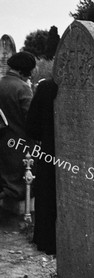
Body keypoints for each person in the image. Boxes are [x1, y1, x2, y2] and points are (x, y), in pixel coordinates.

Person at [26, 78, 58, 255]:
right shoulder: (87, 85)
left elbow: (32, 127)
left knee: (48, 193)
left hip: (50, 152)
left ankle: (48, 242)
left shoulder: (47, 87)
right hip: (79, 156)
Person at [0, 51, 36, 200]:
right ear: (24, 71)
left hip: (2, 142)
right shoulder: (22, 88)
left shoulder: (1, 83)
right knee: (19, 183)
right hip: (20, 145)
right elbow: (32, 120)